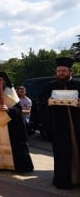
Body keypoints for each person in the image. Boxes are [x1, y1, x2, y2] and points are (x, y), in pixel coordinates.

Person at [40, 57, 80, 189]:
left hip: (76, 125)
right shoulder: (49, 86)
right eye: (59, 71)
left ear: (70, 71)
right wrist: (48, 101)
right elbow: (40, 102)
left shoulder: (78, 84)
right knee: (62, 154)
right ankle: (63, 180)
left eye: (64, 70)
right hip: (58, 126)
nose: (61, 73)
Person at [0, 71, 34, 173]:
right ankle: (0, 165)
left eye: (1, 80)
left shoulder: (10, 92)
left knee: (12, 144)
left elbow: (18, 109)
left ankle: (14, 166)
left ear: (5, 81)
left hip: (10, 124)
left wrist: (9, 109)